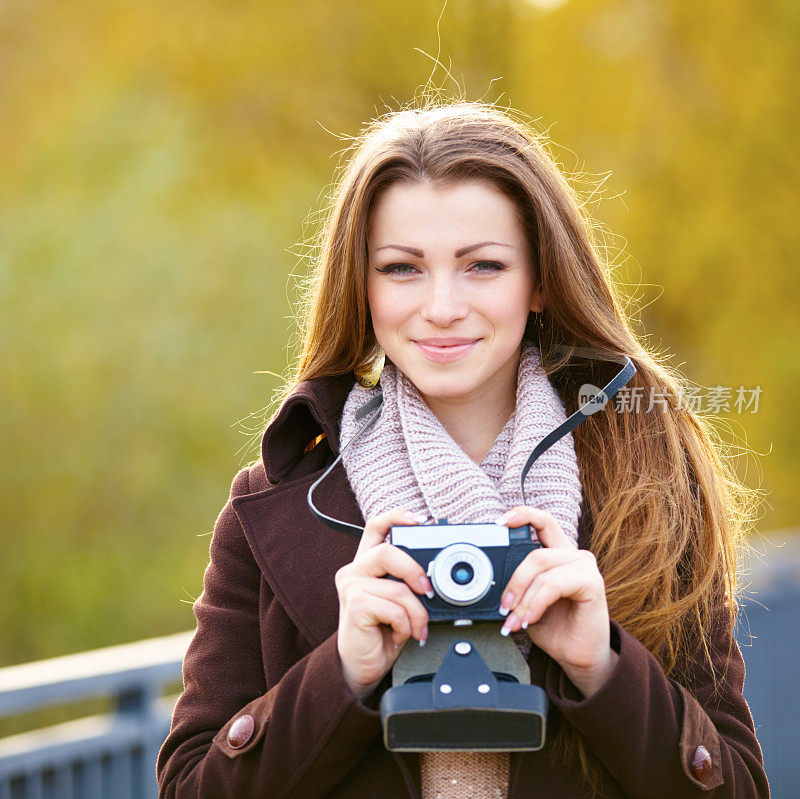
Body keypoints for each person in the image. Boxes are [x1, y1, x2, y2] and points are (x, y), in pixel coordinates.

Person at [156, 100, 769, 798]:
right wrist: (341, 674)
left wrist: (603, 668)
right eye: (402, 268)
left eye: (482, 266)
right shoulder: (275, 504)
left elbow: (738, 787)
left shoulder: (649, 485)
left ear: (538, 281)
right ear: (361, 287)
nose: (442, 305)